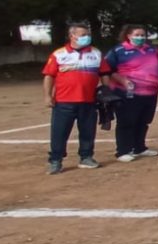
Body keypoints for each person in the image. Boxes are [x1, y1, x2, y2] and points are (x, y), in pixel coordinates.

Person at [42, 24, 112, 174]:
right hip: (64, 101)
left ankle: (86, 157)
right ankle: (56, 160)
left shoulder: (96, 53)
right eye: (82, 34)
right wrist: (48, 96)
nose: (86, 36)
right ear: (72, 36)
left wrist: (106, 92)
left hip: (89, 101)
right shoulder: (59, 54)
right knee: (59, 132)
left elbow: (104, 73)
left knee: (88, 131)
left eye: (88, 34)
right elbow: (49, 76)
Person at [105, 24, 158, 163]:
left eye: (143, 35)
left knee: (144, 121)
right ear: (128, 36)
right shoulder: (118, 51)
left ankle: (139, 147)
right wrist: (122, 80)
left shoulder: (150, 50)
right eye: (137, 35)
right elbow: (108, 70)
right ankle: (123, 150)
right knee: (127, 121)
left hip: (150, 93)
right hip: (128, 92)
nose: (140, 37)